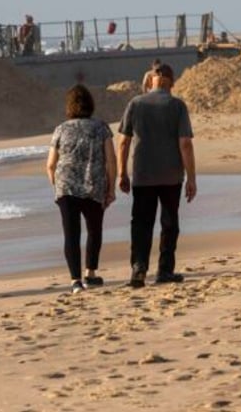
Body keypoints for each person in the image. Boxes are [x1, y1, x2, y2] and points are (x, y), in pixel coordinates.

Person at [117, 63, 197, 288]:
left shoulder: (135, 103)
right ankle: (164, 270)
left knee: (141, 223)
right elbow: (186, 144)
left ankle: (139, 268)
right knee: (169, 223)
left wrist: (122, 173)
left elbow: (123, 142)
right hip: (171, 175)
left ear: (150, 80)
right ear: (171, 81)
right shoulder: (177, 105)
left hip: (143, 174)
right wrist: (191, 178)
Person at [46, 85, 116, 294]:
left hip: (66, 187)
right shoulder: (101, 128)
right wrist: (111, 188)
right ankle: (90, 274)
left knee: (71, 234)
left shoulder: (61, 129)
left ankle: (75, 280)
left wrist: (57, 186)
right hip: (94, 186)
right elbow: (111, 160)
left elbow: (50, 164)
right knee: (94, 230)